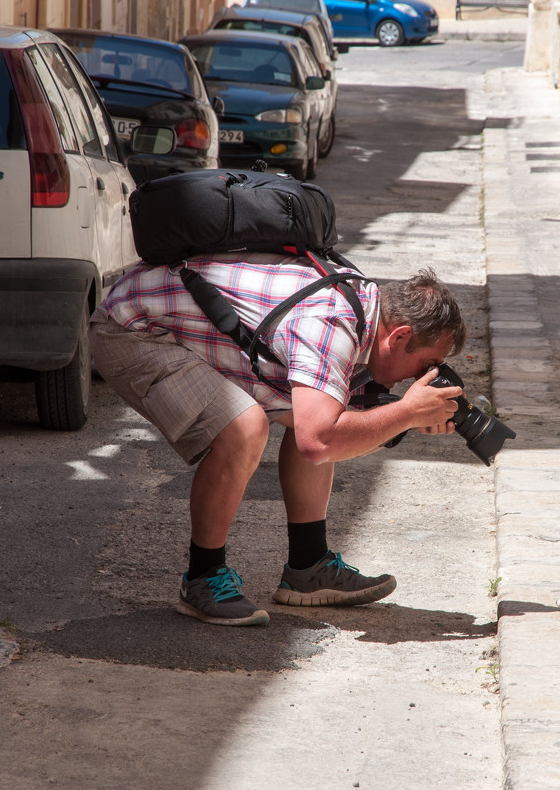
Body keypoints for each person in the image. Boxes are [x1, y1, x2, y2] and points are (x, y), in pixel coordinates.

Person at [89, 255, 467, 626]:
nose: (425, 376)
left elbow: (336, 425)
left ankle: (309, 566)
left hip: (175, 322)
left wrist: (407, 418)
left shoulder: (363, 303)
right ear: (399, 336)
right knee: (246, 427)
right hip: (132, 330)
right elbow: (318, 441)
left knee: (327, 407)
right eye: (425, 365)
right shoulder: (330, 323)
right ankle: (202, 578)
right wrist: (406, 412)